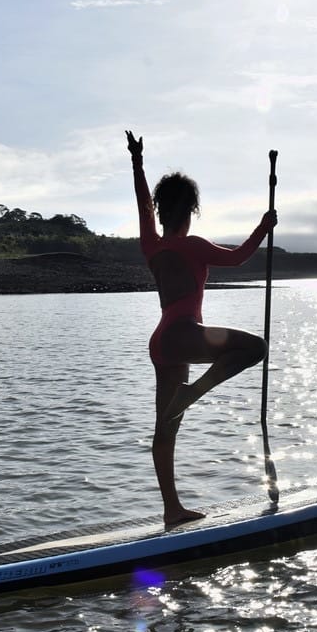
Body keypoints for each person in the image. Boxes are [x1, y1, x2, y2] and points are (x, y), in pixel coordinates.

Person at [126, 130, 277, 527]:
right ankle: (193, 393)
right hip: (184, 334)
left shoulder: (151, 245)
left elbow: (141, 204)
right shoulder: (195, 245)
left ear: (161, 210)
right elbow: (241, 257)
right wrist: (265, 225)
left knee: (166, 428)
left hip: (161, 342)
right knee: (255, 348)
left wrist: (137, 164)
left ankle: (172, 510)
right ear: (190, 209)